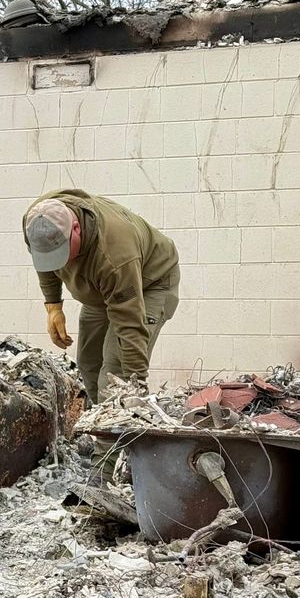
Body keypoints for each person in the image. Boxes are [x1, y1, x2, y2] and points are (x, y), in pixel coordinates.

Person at [23, 188, 180, 479]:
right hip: (100, 291)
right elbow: (42, 261)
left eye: (62, 252)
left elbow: (130, 327)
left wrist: (134, 388)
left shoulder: (115, 254)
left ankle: (103, 472)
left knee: (114, 375)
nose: (60, 263)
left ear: (76, 228)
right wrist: (53, 306)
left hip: (149, 284)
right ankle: (111, 439)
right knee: (89, 365)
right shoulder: (38, 219)